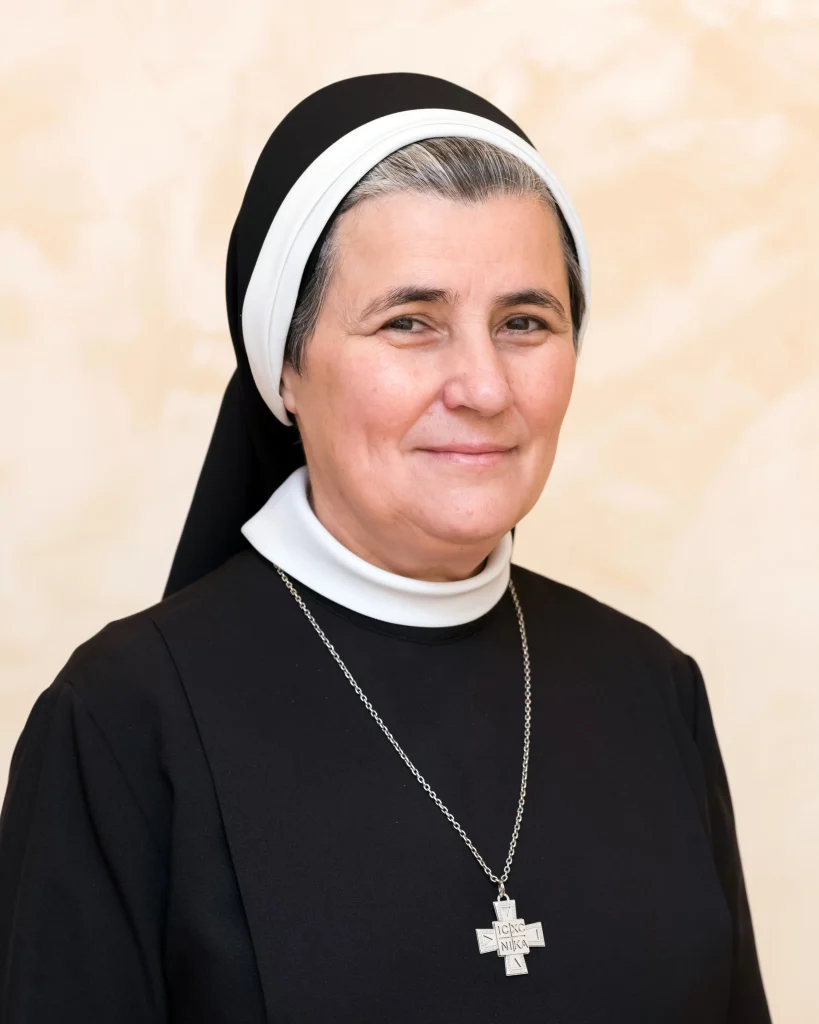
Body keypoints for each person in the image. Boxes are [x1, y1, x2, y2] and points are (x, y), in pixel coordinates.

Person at [0, 73, 771, 1023]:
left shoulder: (652, 688)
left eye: (524, 323)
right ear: (285, 369)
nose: (483, 387)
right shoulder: (122, 720)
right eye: (410, 322)